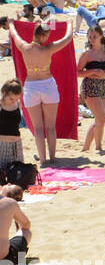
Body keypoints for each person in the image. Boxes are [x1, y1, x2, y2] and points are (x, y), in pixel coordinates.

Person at [9, 19, 75, 164]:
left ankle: (43, 159)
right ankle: (52, 157)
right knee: (50, 126)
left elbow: (14, 35)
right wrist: (69, 23)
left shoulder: (25, 48)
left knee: (38, 128)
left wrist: (12, 24)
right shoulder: (48, 48)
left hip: (31, 87)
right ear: (43, 36)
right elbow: (68, 37)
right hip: (48, 86)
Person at [76, 25, 105, 153]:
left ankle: (87, 147)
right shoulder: (87, 53)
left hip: (102, 85)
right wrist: (93, 71)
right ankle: (98, 148)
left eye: (94, 37)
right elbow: (76, 72)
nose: (91, 40)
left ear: (101, 36)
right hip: (89, 86)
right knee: (100, 118)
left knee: (101, 119)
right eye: (90, 37)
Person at [0, 80, 25, 166]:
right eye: (11, 99)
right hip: (1, 145)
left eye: (17, 98)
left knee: (18, 174)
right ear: (4, 93)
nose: (14, 101)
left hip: (16, 146)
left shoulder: (18, 105)